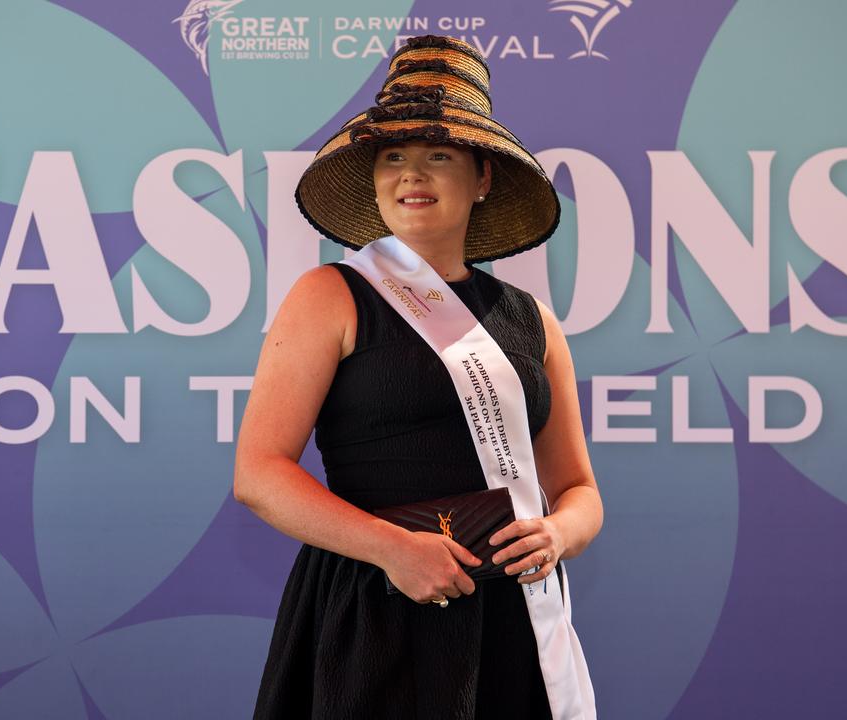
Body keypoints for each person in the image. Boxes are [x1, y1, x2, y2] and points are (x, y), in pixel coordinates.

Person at [234, 35, 603, 719]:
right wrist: (394, 550)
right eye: (394, 157)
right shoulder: (330, 295)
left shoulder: (535, 322)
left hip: (510, 617)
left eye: (439, 155)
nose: (412, 174)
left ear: (483, 177)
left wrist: (559, 534)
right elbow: (259, 475)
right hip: (379, 602)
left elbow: (577, 489)